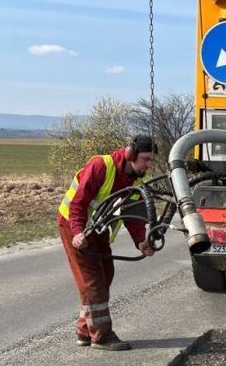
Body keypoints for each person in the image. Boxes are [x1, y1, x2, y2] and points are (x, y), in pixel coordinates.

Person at [57, 135, 157, 351]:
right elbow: (78, 204)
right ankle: (101, 336)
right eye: (146, 159)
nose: (149, 165)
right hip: (74, 226)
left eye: (151, 160)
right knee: (92, 280)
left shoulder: (136, 180)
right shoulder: (101, 166)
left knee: (106, 274)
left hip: (98, 228)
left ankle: (85, 330)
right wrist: (77, 233)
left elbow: (133, 216)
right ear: (130, 155)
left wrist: (141, 241)